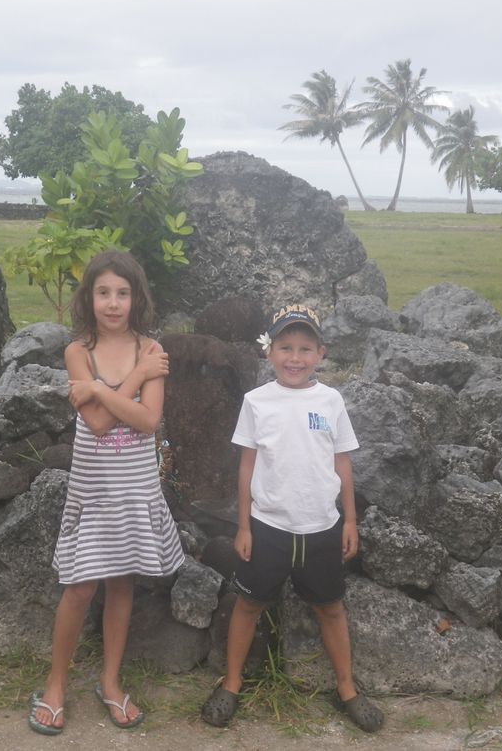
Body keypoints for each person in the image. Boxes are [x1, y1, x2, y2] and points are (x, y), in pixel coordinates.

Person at [200, 303, 383, 733]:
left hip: (321, 528)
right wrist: (244, 526)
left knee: (331, 609)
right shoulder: (257, 402)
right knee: (247, 605)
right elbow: (246, 467)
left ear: (320, 353)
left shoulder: (331, 400)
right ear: (270, 352)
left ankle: (347, 689)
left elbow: (342, 464)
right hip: (267, 529)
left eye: (304, 348)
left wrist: (350, 521)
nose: (294, 357)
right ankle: (230, 683)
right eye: (285, 347)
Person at [28, 250, 184, 735]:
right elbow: (95, 425)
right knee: (79, 587)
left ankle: (110, 681)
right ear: (89, 297)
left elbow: (149, 420)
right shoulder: (79, 351)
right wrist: (133, 381)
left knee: (122, 584)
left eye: (122, 292)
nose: (113, 303)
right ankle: (54, 685)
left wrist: (99, 389)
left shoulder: (151, 347)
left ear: (135, 297)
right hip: (93, 490)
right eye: (103, 293)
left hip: (134, 489)